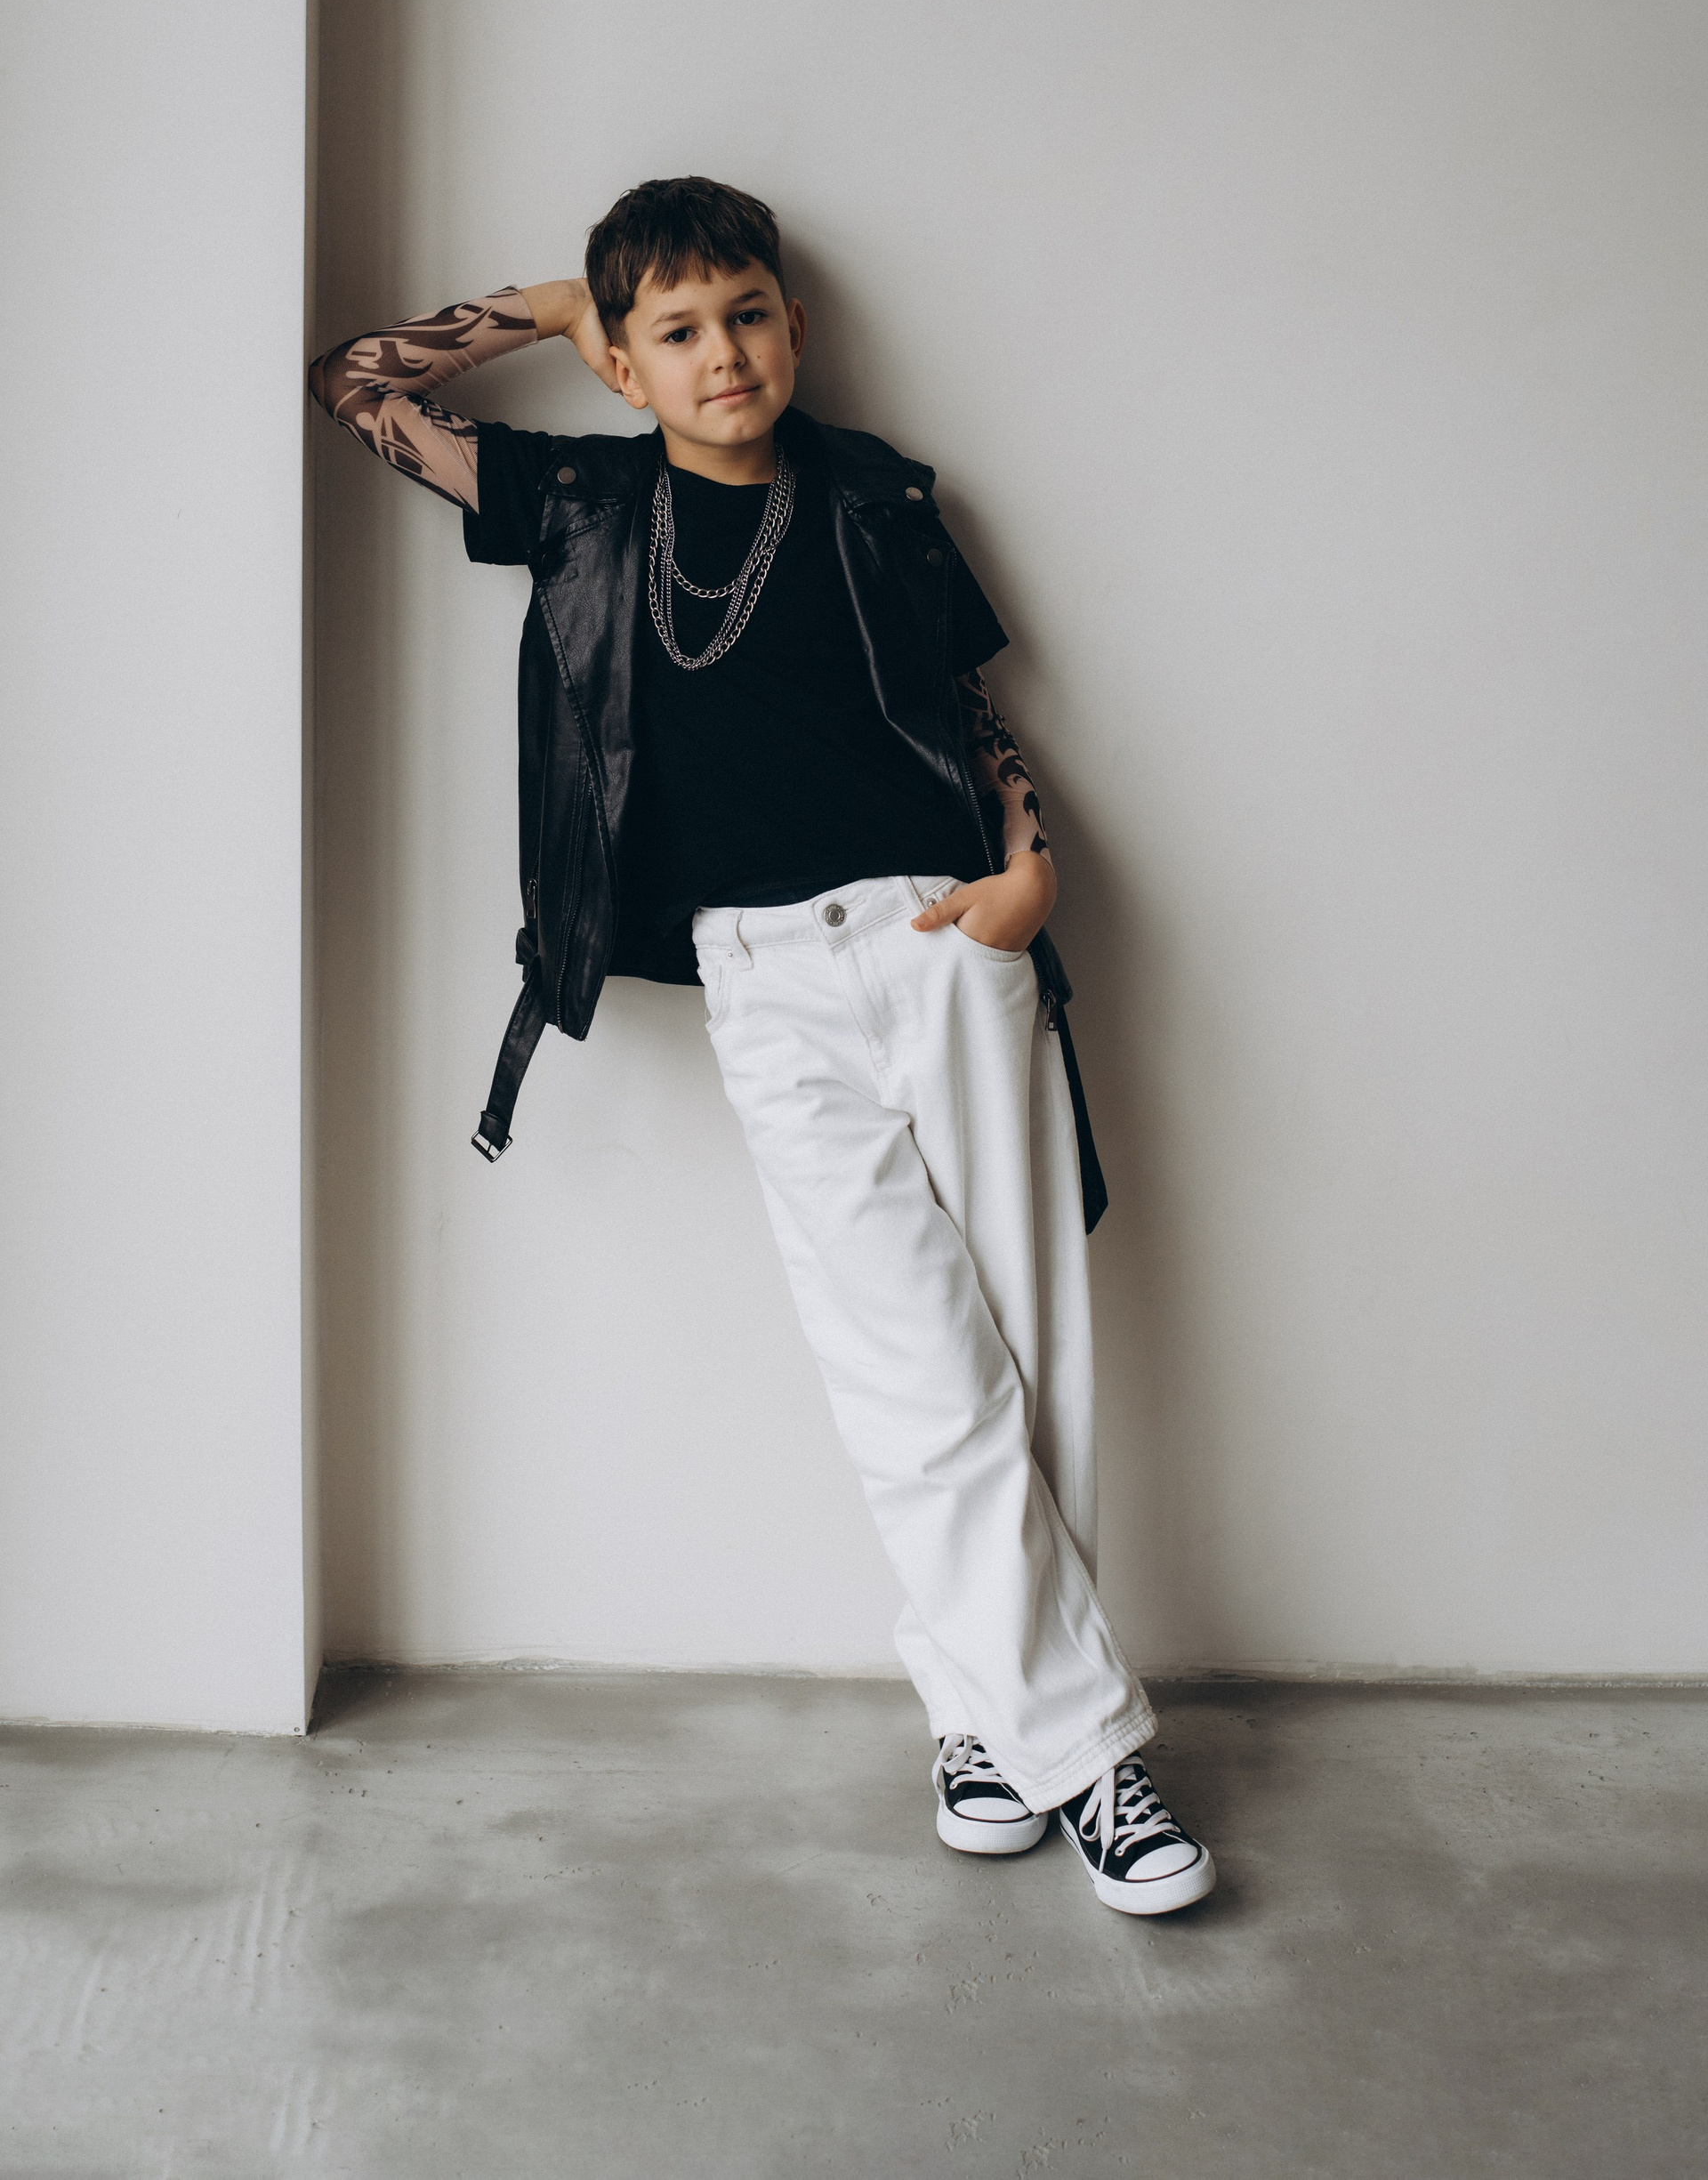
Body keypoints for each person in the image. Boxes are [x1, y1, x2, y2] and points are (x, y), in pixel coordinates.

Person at [309, 175, 1214, 1917]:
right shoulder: (578, 502)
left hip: (951, 939)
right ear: (625, 363)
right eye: (673, 329)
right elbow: (355, 381)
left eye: (744, 314)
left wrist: (1031, 867)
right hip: (768, 982)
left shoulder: (877, 495)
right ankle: (1100, 1764)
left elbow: (968, 709)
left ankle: (982, 1721)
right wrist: (550, 307)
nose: (720, 353)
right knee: (915, 1373)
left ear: (793, 325)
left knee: (1034, 1362)